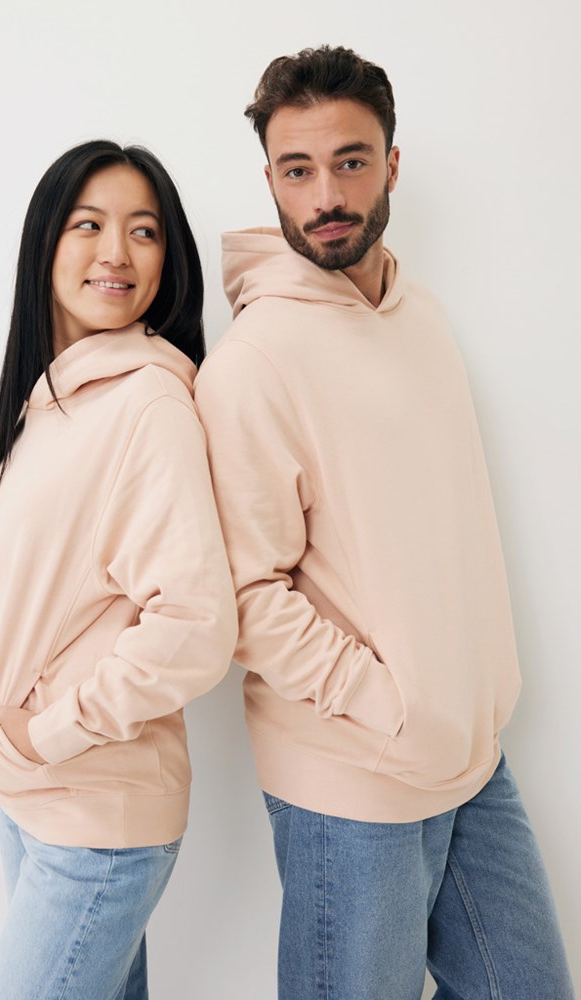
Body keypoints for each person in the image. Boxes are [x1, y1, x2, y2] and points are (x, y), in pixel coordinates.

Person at [194, 46, 575, 999]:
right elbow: (245, 594)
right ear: (270, 181)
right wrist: (387, 703)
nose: (325, 195)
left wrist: (460, 704)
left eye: (350, 161)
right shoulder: (253, 364)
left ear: (391, 166)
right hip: (351, 778)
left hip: (468, 759)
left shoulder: (421, 319)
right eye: (297, 169)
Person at [0, 139, 237, 1000]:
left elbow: (195, 625)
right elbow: (53, 580)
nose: (117, 252)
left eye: (143, 231)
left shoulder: (148, 403)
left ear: (167, 261)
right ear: (45, 242)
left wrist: (47, 728)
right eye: (89, 225)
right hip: (30, 792)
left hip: (92, 810)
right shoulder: (52, 399)